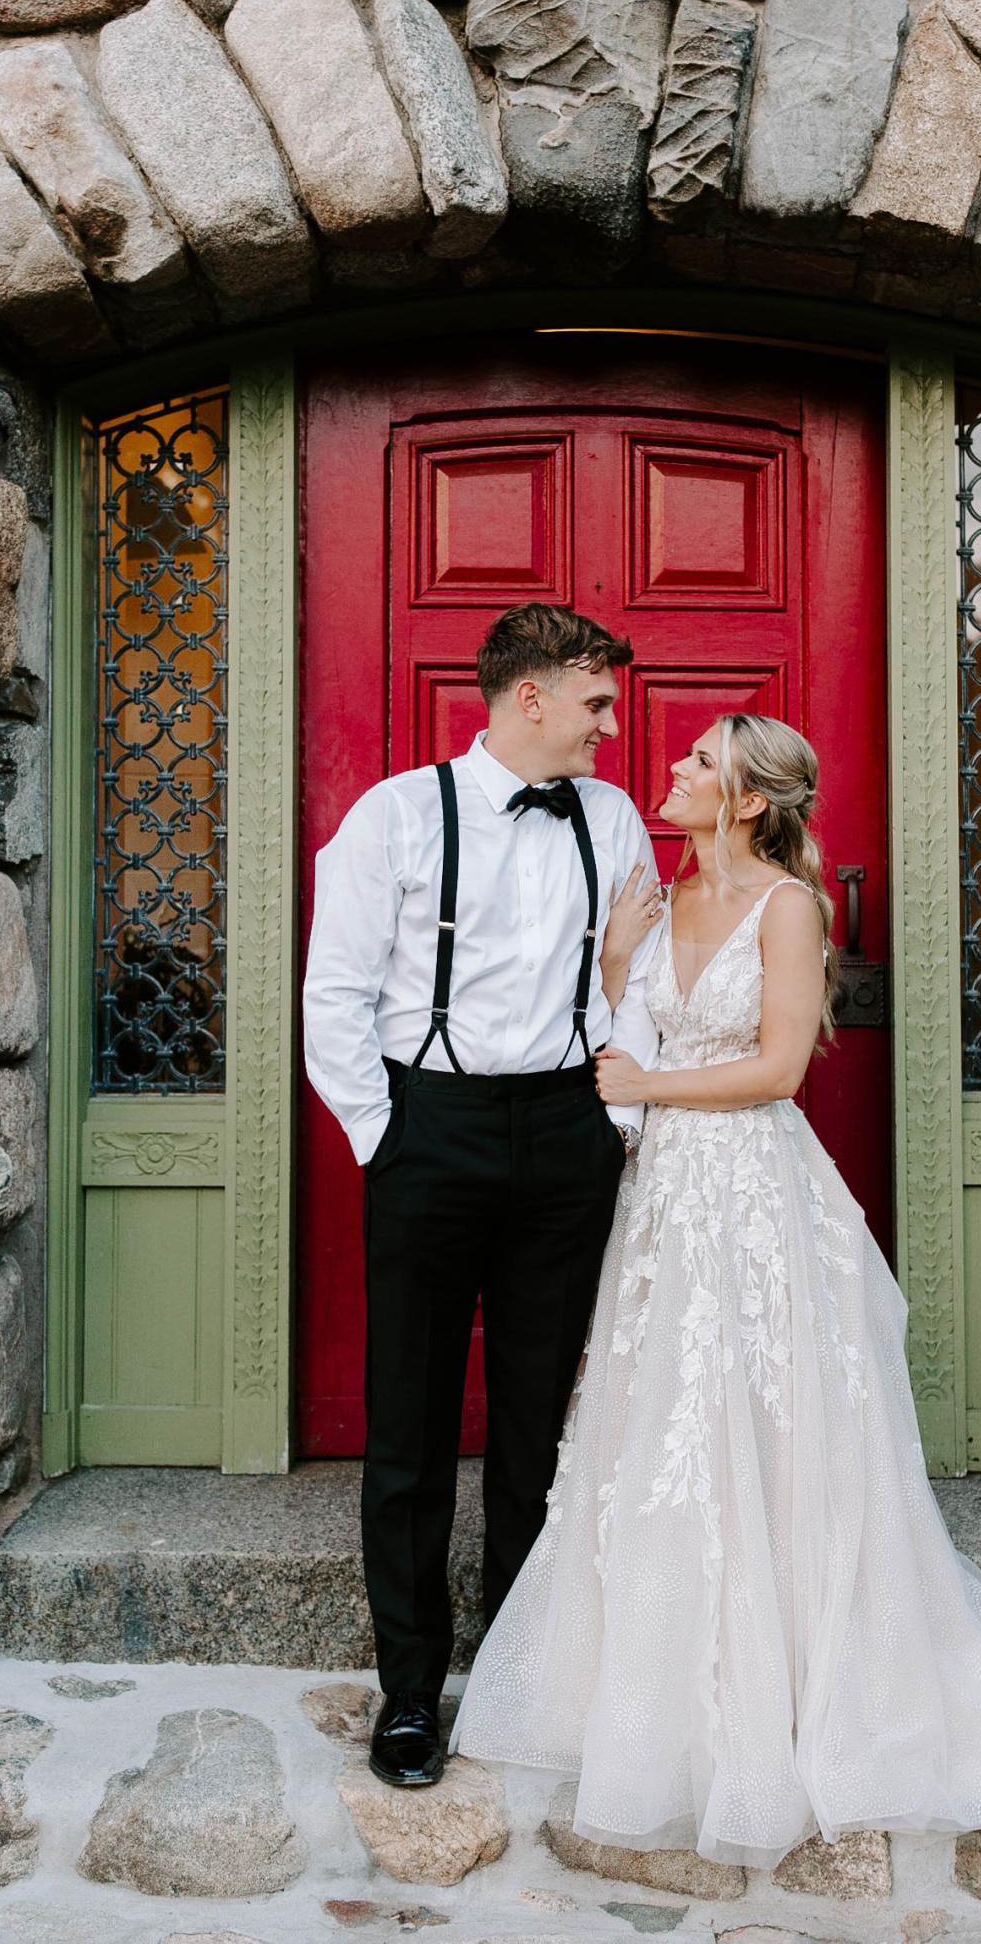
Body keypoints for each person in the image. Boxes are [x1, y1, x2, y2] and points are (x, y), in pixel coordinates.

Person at [451, 711, 981, 1865]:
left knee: (773, 1424)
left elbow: (779, 1067)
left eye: (699, 762)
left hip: (754, 1196)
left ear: (748, 799)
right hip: (660, 1201)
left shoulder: (792, 907)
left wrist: (653, 1077)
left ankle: (801, 1691)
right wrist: (618, 967)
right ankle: (660, 1695)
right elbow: (622, 1032)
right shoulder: (656, 898)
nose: (674, 768)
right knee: (658, 1430)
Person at [302, 602, 667, 1791]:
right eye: (597, 702)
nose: (612, 727)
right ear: (531, 699)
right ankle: (409, 1694)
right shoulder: (397, 816)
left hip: (566, 1133)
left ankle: (516, 1685)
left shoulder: (610, 821)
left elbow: (636, 981)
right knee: (407, 1429)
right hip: (431, 1129)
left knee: (535, 1435)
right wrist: (384, 1138)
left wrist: (610, 1122)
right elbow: (335, 995)